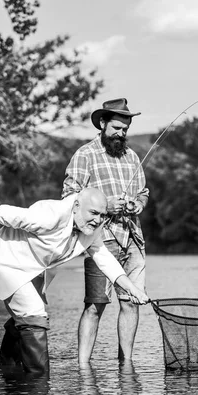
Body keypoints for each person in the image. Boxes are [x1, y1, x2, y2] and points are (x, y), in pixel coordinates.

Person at [0, 188, 148, 376]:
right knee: (34, 315)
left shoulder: (91, 229)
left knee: (24, 317)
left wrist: (133, 290)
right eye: (93, 213)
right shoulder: (49, 215)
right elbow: (2, 212)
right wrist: (4, 220)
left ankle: (8, 370)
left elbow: (106, 261)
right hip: (5, 261)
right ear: (76, 206)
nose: (98, 220)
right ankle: (38, 384)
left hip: (31, 268)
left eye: (102, 215)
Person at [61, 97, 149, 363]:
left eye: (125, 129)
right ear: (102, 124)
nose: (121, 134)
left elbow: (143, 192)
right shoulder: (85, 155)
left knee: (131, 302)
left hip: (133, 239)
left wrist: (138, 204)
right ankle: (83, 366)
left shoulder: (132, 157)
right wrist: (107, 205)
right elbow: (69, 197)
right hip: (100, 240)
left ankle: (127, 363)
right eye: (116, 128)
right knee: (95, 305)